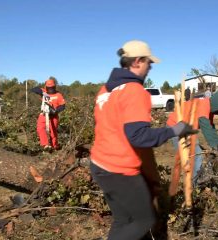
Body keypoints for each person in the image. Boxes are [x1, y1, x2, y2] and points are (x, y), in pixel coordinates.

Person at [89, 40, 197, 240]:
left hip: (98, 163)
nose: (151, 66)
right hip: (119, 169)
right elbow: (139, 137)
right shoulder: (135, 91)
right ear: (138, 61)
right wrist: (176, 129)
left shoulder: (105, 90)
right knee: (144, 220)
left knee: (123, 220)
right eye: (149, 62)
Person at [167, 91, 218, 182]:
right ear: (215, 104)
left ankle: (196, 178)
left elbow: (211, 127)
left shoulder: (209, 108)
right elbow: (206, 130)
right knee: (195, 154)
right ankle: (194, 182)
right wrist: (214, 146)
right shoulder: (204, 107)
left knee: (196, 152)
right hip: (175, 126)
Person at [31, 77, 66, 150]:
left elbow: (63, 106)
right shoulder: (44, 92)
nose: (50, 89)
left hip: (53, 115)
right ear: (46, 87)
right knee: (40, 128)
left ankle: (54, 146)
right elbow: (34, 89)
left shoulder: (58, 95)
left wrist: (56, 111)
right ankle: (45, 145)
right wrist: (41, 92)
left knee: (53, 132)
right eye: (49, 88)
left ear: (54, 87)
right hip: (43, 114)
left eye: (52, 88)